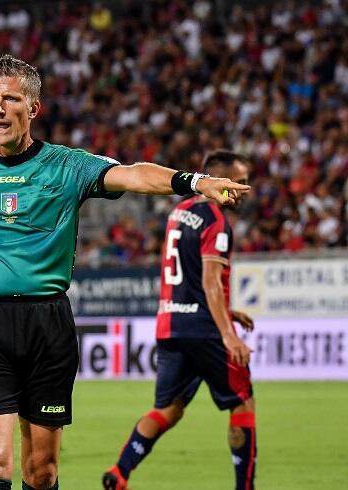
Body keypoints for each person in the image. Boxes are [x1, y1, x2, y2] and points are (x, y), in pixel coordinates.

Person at [0, 55, 249, 490]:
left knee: (42, 470)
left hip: (47, 326)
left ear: (32, 109)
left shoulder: (68, 166)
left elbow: (134, 176)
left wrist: (196, 182)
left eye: (10, 98)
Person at [101, 150, 257, 490]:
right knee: (242, 399)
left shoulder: (180, 212)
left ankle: (119, 472)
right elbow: (210, 282)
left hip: (171, 325)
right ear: (219, 179)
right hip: (205, 330)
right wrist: (228, 334)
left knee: (168, 409)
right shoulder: (217, 221)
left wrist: (227, 311)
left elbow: (185, 277)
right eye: (239, 182)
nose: (244, 190)